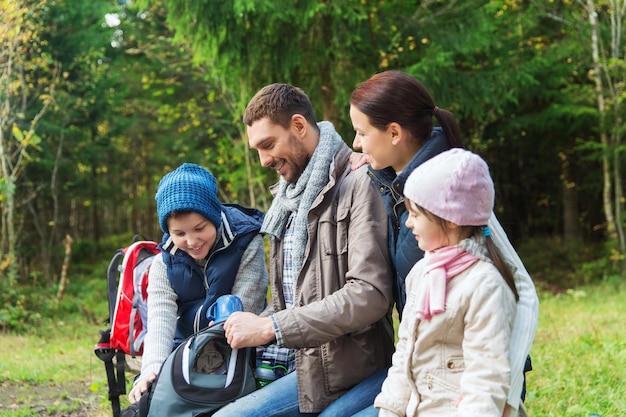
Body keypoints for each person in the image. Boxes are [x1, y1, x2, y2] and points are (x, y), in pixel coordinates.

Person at [322, 70, 537, 416]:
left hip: (466, 378)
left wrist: (508, 397)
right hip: (422, 365)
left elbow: (523, 290)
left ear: (394, 133)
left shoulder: (451, 192)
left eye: (362, 133)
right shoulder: (394, 185)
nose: (357, 144)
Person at [212, 83, 395, 416]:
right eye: (257, 150)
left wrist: (272, 328)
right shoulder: (287, 199)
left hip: (349, 370)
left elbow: (370, 295)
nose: (263, 160)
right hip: (298, 365)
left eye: (268, 145)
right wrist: (257, 322)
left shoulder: (358, 183)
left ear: (298, 126)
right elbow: (293, 302)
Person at [375, 148, 520, 416]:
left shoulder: (485, 285)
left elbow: (486, 379)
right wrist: (390, 410)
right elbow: (404, 353)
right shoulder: (422, 273)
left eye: (416, 215)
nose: (409, 224)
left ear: (451, 219)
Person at [127, 163, 268, 404]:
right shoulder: (164, 262)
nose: (192, 241)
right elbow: (161, 320)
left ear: (213, 216)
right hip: (186, 349)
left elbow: (247, 310)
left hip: (238, 347)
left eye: (199, 228)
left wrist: (199, 374)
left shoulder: (246, 243)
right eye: (179, 233)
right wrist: (152, 370)